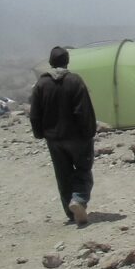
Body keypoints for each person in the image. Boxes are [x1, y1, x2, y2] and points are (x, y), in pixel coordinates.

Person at [29, 46, 97, 226]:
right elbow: (84, 111)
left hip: (54, 139)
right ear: (67, 61)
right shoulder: (75, 81)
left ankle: (70, 212)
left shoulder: (42, 84)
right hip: (77, 138)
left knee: (63, 174)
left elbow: (35, 113)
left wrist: (39, 133)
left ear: (51, 63)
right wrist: (89, 132)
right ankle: (79, 200)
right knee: (83, 170)